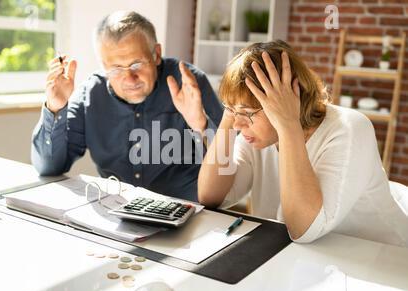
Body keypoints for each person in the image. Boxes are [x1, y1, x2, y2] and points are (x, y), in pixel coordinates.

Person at [198, 40, 408, 247]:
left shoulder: (350, 129)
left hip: (383, 260)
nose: (237, 123)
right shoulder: (256, 135)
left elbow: (304, 229)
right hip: (314, 259)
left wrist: (289, 123)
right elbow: (211, 196)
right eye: (232, 111)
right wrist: (231, 108)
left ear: (287, 99)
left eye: (246, 113)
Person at [31, 11, 223, 202]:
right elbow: (48, 168)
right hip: (117, 213)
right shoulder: (90, 95)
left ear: (156, 54)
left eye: (136, 64)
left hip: (189, 211)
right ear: (103, 65)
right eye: (115, 69)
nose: (129, 79)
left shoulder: (189, 83)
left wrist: (202, 125)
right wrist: (55, 107)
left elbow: (228, 159)